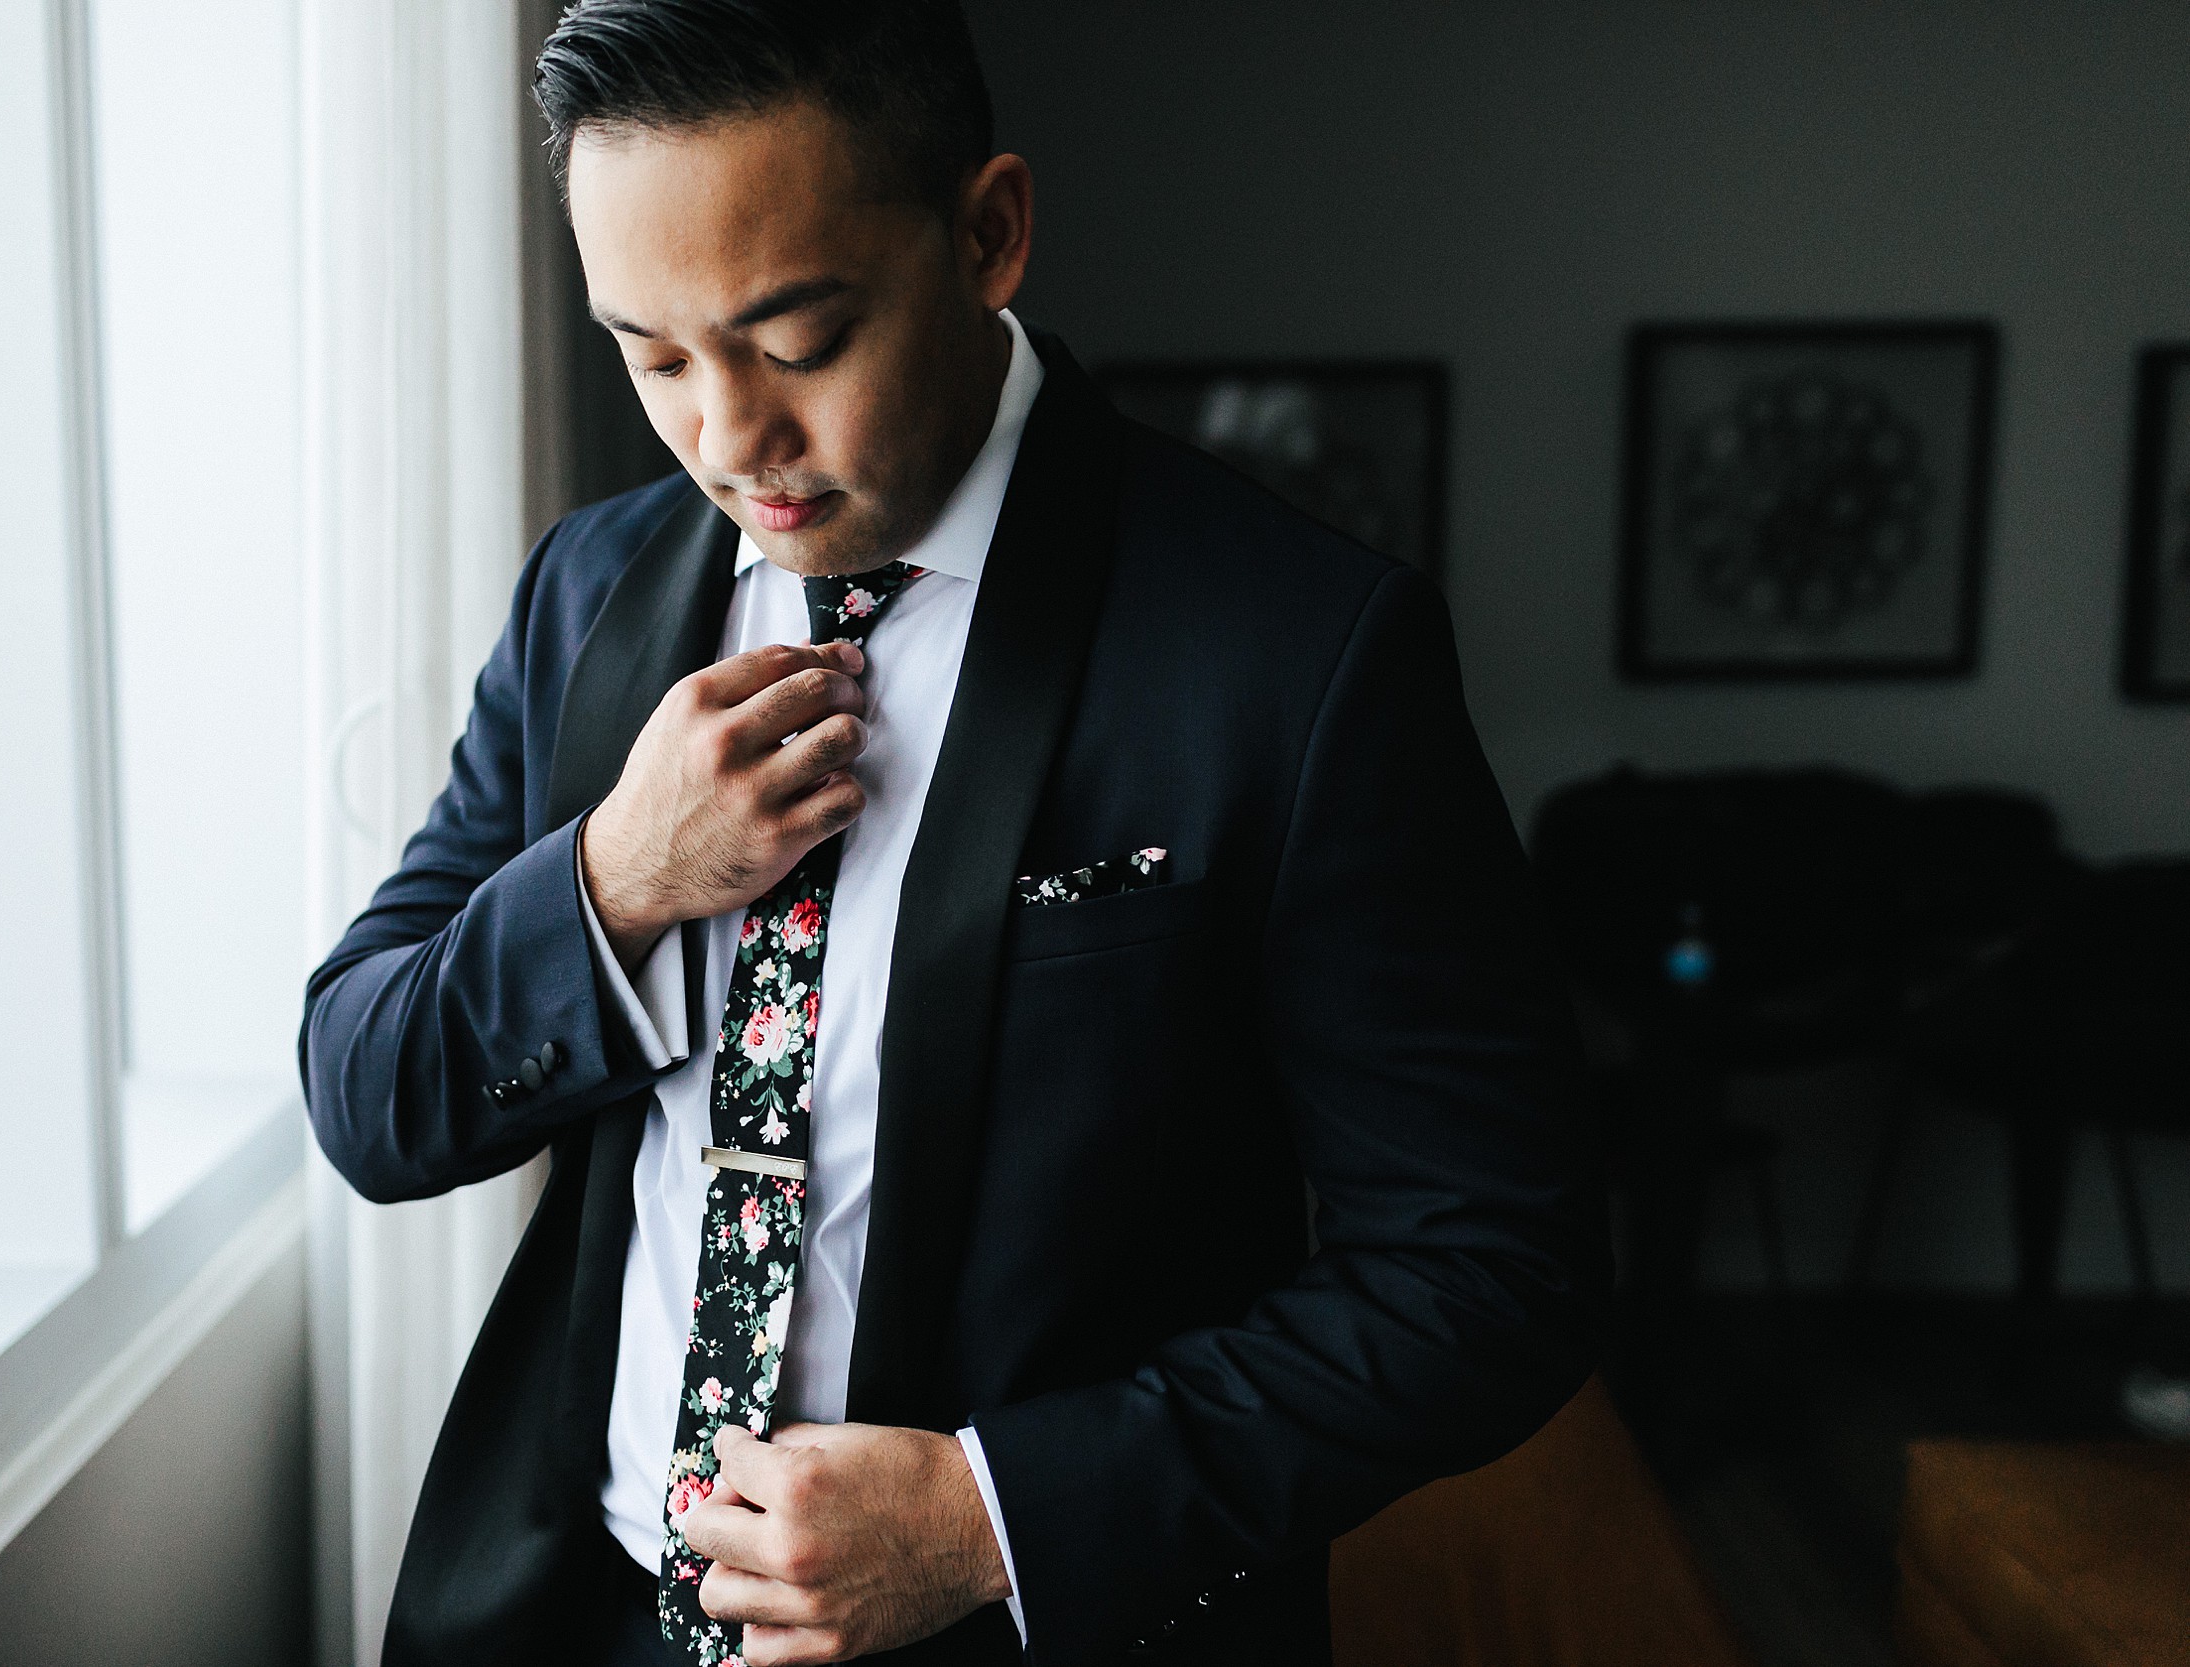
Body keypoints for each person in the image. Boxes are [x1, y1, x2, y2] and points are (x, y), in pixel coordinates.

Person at [300, 2, 1608, 1663]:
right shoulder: (588, 595)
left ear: (988, 233)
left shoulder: (1299, 654)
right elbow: (368, 1092)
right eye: (653, 356)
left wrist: (999, 1514)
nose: (729, 439)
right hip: (580, 1613)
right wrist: (617, 883)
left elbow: (1499, 1269)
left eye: (796, 340)